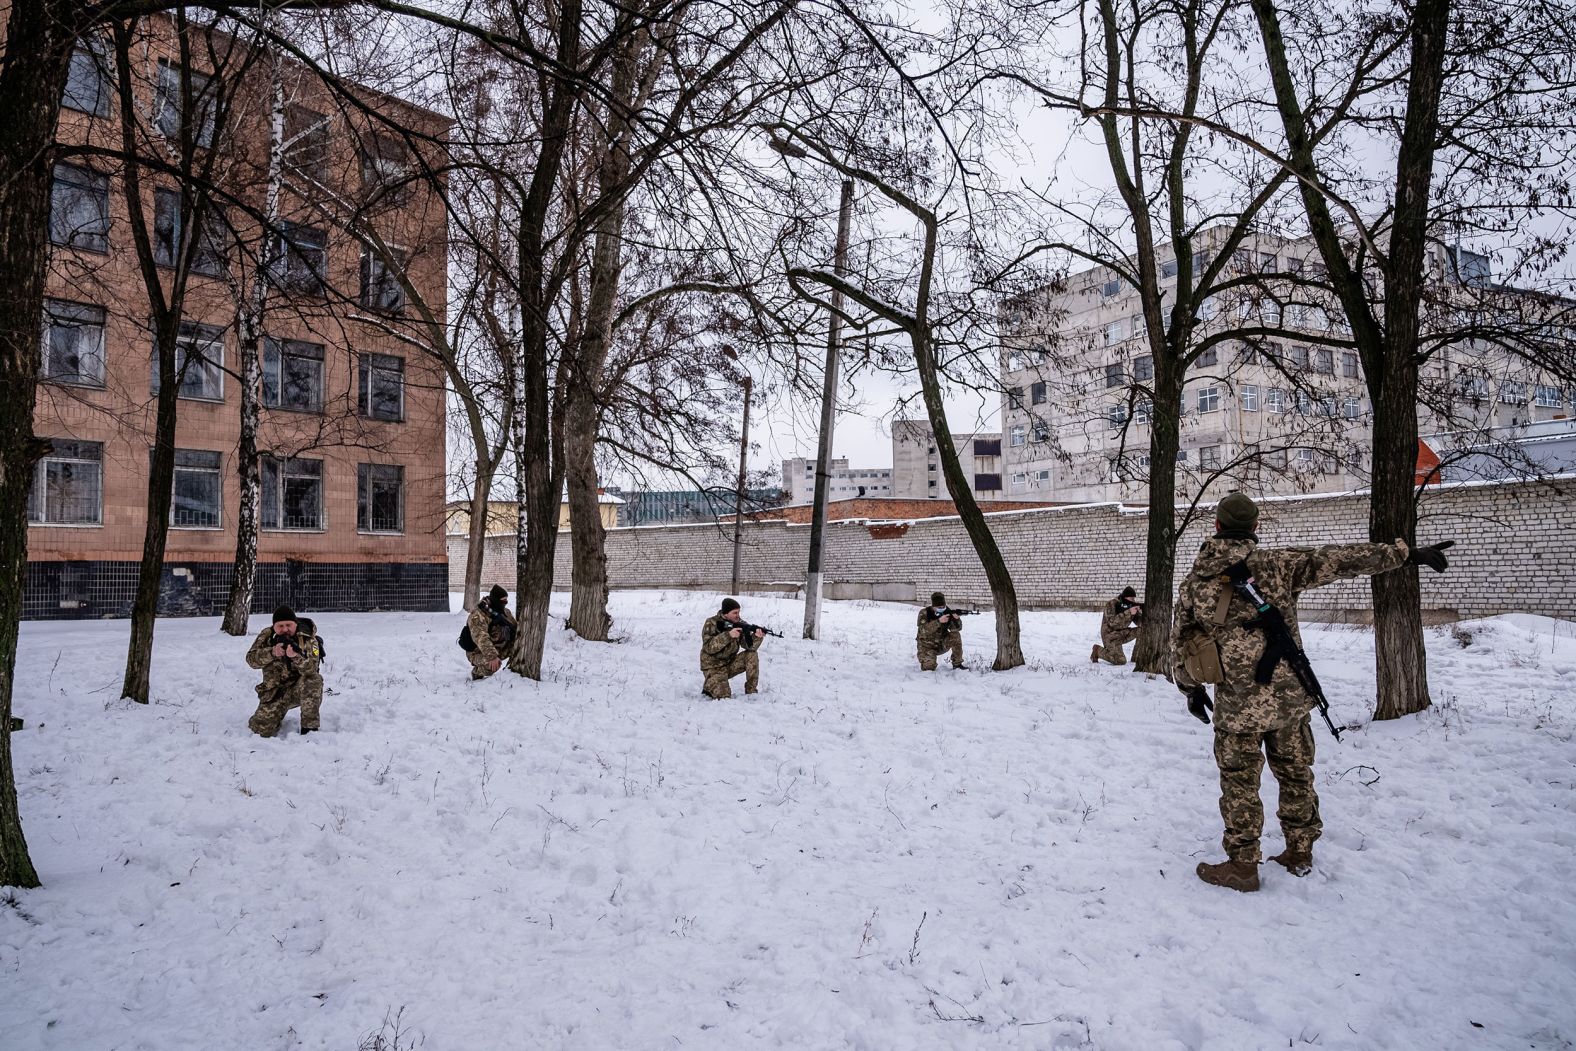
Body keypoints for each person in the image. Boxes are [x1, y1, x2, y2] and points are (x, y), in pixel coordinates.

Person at [1171, 492, 1453, 892]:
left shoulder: (1195, 583)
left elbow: (1180, 638)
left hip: (1236, 707)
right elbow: (1341, 559)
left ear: (1216, 527)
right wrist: (1406, 554)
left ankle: (1242, 865)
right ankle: (1299, 851)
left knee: (1239, 783)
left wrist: (1190, 688)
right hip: (1288, 699)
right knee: (1295, 772)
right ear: (1255, 529)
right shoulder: (1278, 566)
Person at [245, 605, 324, 737]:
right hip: (274, 693)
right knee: (261, 730)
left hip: (298, 690)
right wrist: (271, 652)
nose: (285, 629)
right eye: (280, 626)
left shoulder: (308, 637)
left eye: (288, 625)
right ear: (273, 626)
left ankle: (310, 729)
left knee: (314, 680)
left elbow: (311, 669)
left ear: (295, 624)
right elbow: (251, 660)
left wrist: (296, 657)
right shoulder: (267, 636)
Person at [701, 597, 764, 698]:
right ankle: (710, 684)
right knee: (724, 697)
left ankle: (751, 691)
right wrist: (728, 635)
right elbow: (709, 647)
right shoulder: (711, 623)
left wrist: (757, 637)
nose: (738, 615)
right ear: (726, 613)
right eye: (735, 613)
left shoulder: (739, 623)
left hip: (730, 663)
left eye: (739, 612)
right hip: (713, 667)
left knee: (752, 655)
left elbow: (749, 646)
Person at [467, 585, 518, 680]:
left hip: (499, 647)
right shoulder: (478, 615)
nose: (505, 603)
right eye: (503, 601)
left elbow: (515, 627)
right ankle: (477, 672)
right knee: (493, 665)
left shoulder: (505, 612)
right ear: (495, 600)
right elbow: (481, 637)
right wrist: (492, 656)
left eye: (506, 601)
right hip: (478, 651)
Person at [1092, 587, 1142, 665]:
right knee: (1120, 661)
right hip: (1110, 636)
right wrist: (1129, 613)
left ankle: (1136, 658)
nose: (1133, 600)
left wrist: (1140, 614)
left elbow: (1140, 623)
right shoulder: (1112, 604)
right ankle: (1097, 651)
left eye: (1134, 598)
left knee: (1143, 630)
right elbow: (1112, 623)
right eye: (1131, 598)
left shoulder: (1130, 606)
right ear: (1125, 597)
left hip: (1121, 633)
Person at [916, 591, 966, 671]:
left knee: (955, 635)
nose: (941, 609)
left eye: (943, 607)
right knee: (929, 668)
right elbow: (923, 630)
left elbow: (957, 629)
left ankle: (957, 664)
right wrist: (938, 622)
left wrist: (956, 619)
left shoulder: (947, 612)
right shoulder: (924, 613)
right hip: (926, 647)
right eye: (939, 608)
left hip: (941, 643)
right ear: (933, 606)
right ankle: (927, 660)